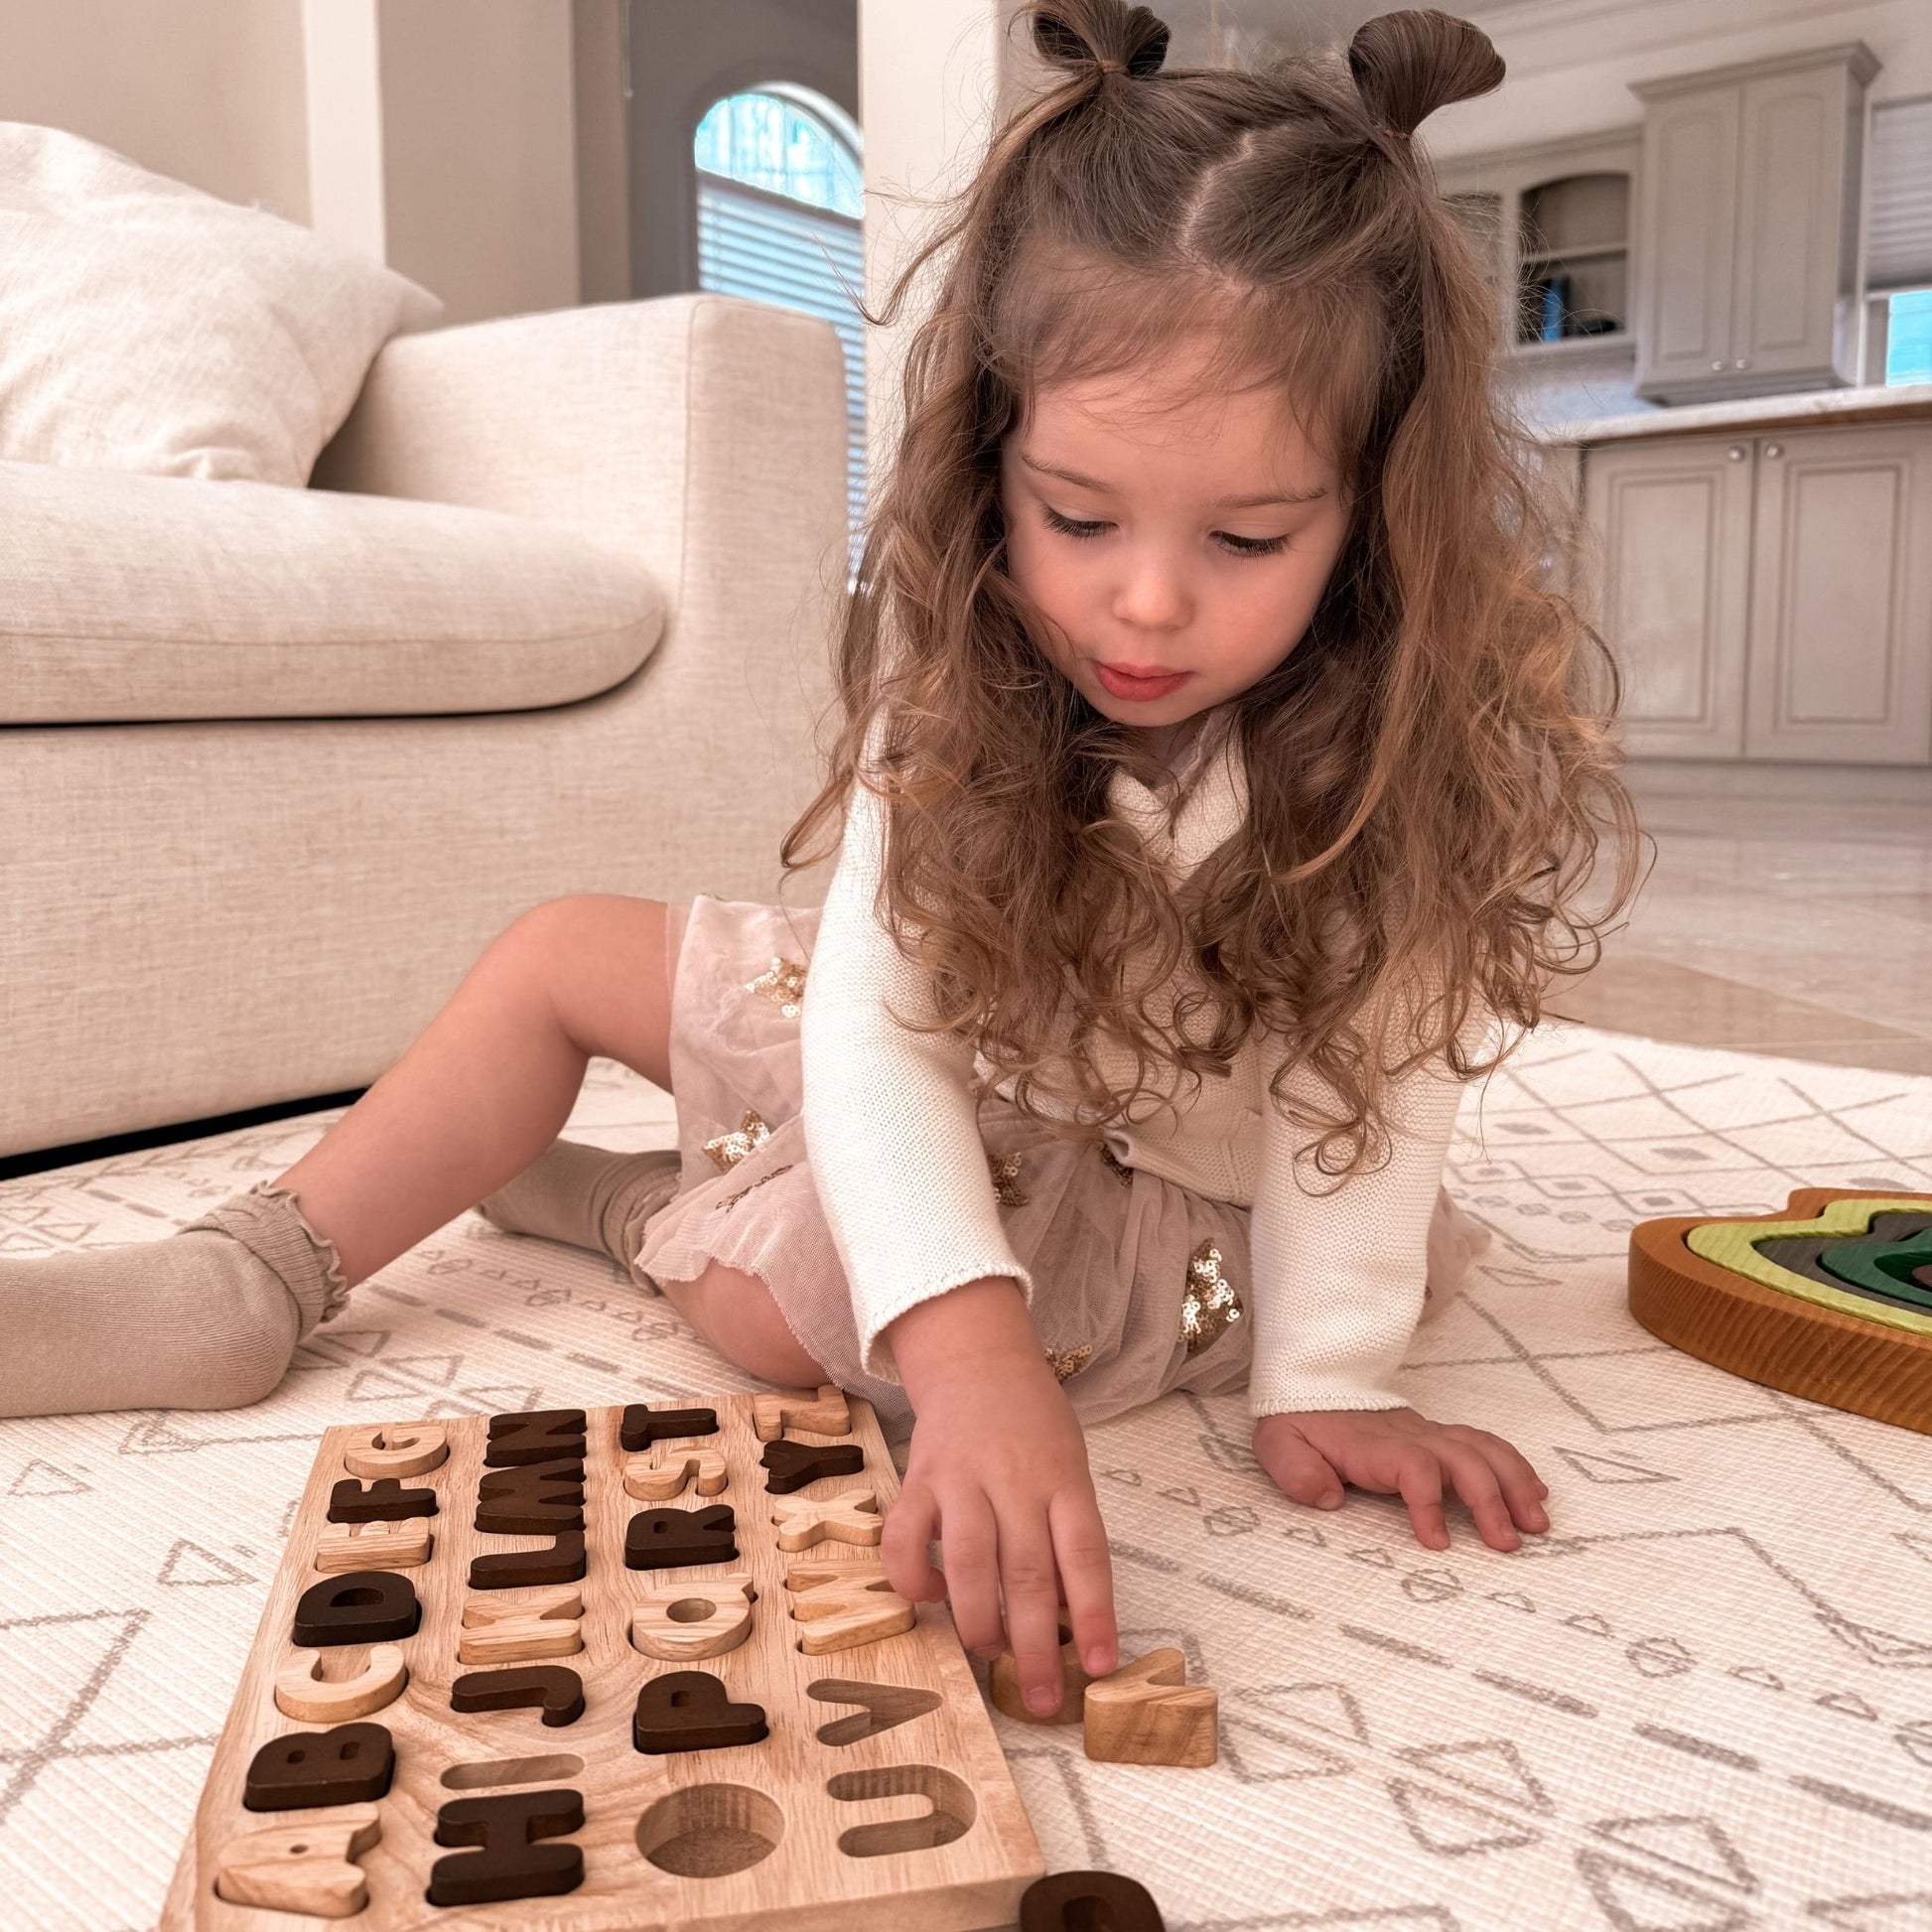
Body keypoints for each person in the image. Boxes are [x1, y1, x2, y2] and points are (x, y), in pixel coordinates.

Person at [0, 1, 1641, 1719]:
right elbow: (881, 1023)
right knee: (563, 945)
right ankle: (250, 1274)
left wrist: (1325, 1368)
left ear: (1373, 517)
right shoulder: (966, 681)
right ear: (988, 457)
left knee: (803, 1316)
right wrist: (970, 1341)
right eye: (1076, 516)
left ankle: (623, 1199)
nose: (1143, 604)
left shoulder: (1405, 766)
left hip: (1160, 1161)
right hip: (955, 1035)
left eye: (1244, 537)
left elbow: (1364, 1094)